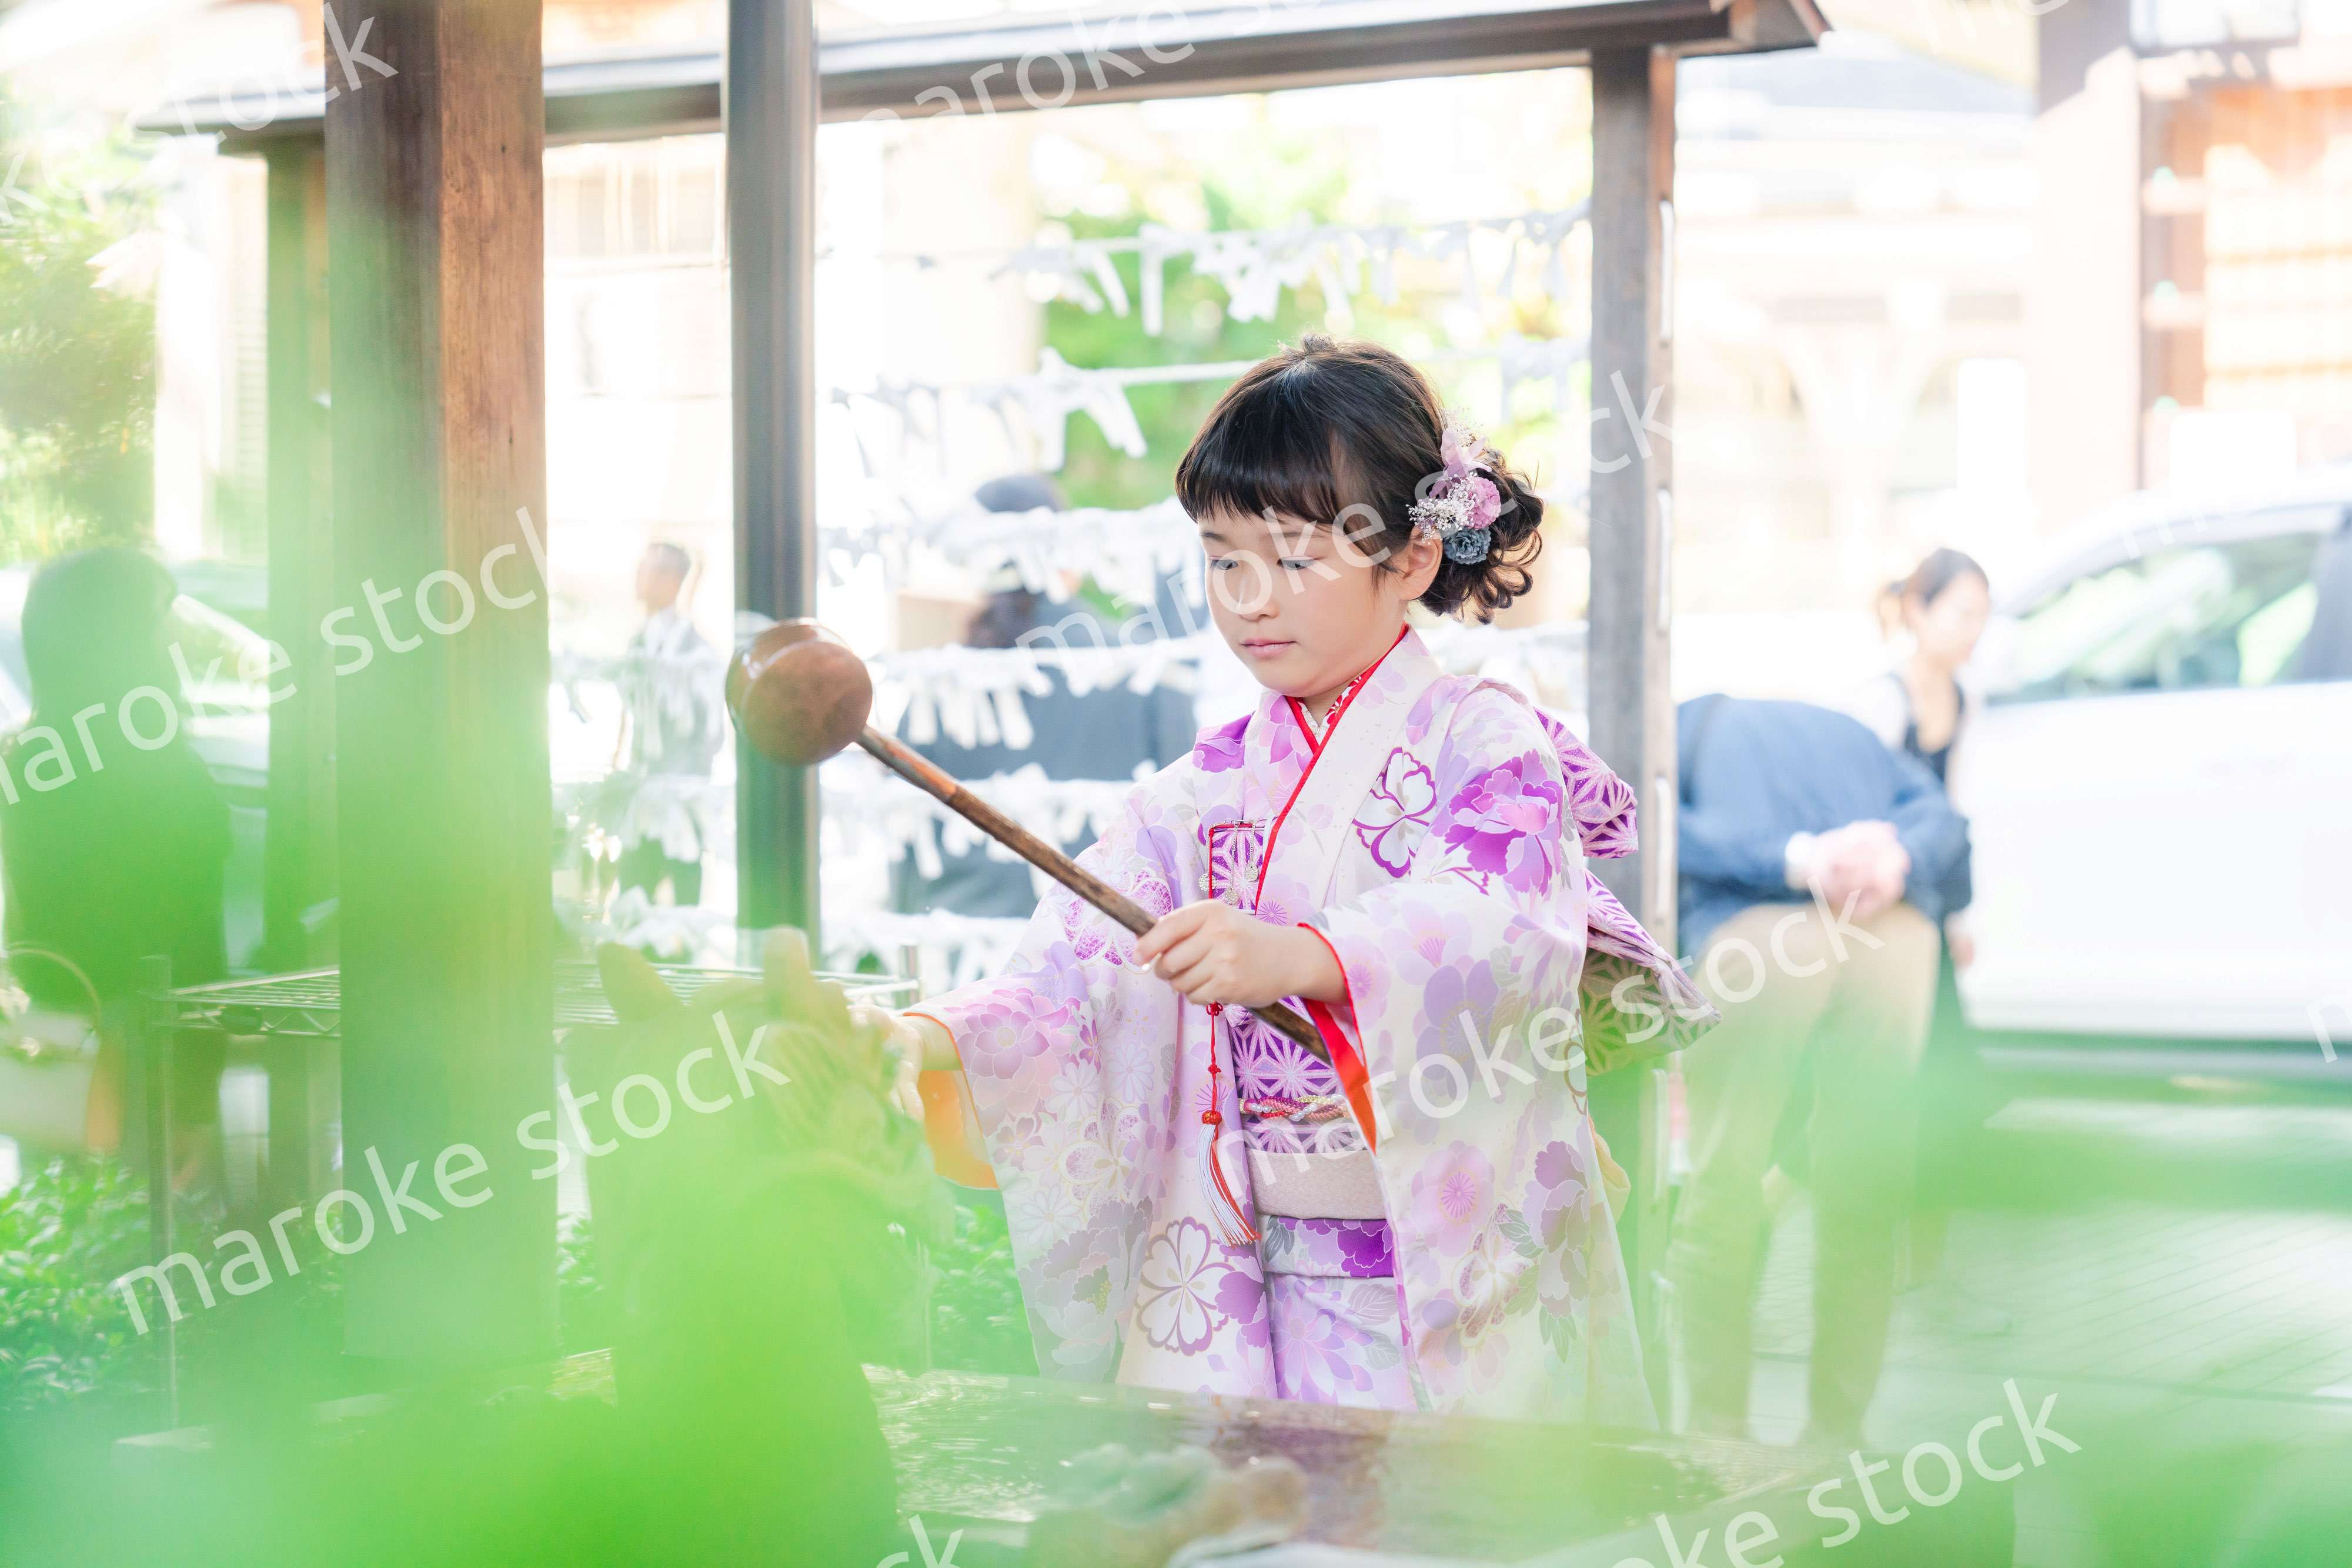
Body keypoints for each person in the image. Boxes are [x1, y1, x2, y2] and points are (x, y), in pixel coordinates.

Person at [860, 337, 1710, 1420]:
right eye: (1223, 559)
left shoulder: (1484, 739)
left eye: (1296, 557)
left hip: (1454, 1268)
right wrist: (924, 1036)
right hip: (1254, 1281)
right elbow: (1071, 976)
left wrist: (1309, 954)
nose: (1250, 599)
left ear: (1408, 560)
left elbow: (1504, 922)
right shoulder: (1201, 789)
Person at [1665, 694, 1968, 1448]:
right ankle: (1837, 1437)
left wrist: (1797, 859)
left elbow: (1655, 833)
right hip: (1890, 933)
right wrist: (1895, 858)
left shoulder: (1683, 726)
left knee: (1723, 1177)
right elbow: (1947, 822)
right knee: (1864, 1187)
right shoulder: (1858, 736)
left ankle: (1716, 1435)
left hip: (1760, 938)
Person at [0, 549, 229, 1176]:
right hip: (146, 1050)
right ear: (120, 641)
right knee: (155, 1244)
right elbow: (190, 939)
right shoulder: (164, 775)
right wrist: (196, 1099)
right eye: (159, 619)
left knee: (65, 1247)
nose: (175, 635)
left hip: (50, 1051)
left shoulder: (27, 765)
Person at [891, 474, 1198, 919]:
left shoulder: (938, 688)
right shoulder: (1146, 668)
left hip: (961, 954)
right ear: (1065, 555)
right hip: (1101, 955)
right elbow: (1185, 835)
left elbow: (906, 852)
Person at [1839, 548, 2009, 1333]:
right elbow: (1857, 804)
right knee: (1891, 1073)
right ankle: (1872, 1247)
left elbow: (1958, 806)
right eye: (1961, 612)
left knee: (1943, 1072)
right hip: (1883, 910)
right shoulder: (1883, 699)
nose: (1972, 630)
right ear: (1917, 610)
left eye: (1981, 614)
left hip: (1932, 900)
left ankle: (1926, 1260)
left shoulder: (1962, 698)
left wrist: (1959, 920)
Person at [612, 542, 726, 907]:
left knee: (683, 904)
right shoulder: (638, 641)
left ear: (672, 581)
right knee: (632, 896)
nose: (638, 578)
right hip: (641, 794)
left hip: (682, 797)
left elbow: (710, 734)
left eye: (649, 570)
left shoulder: (697, 653)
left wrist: (683, 792)